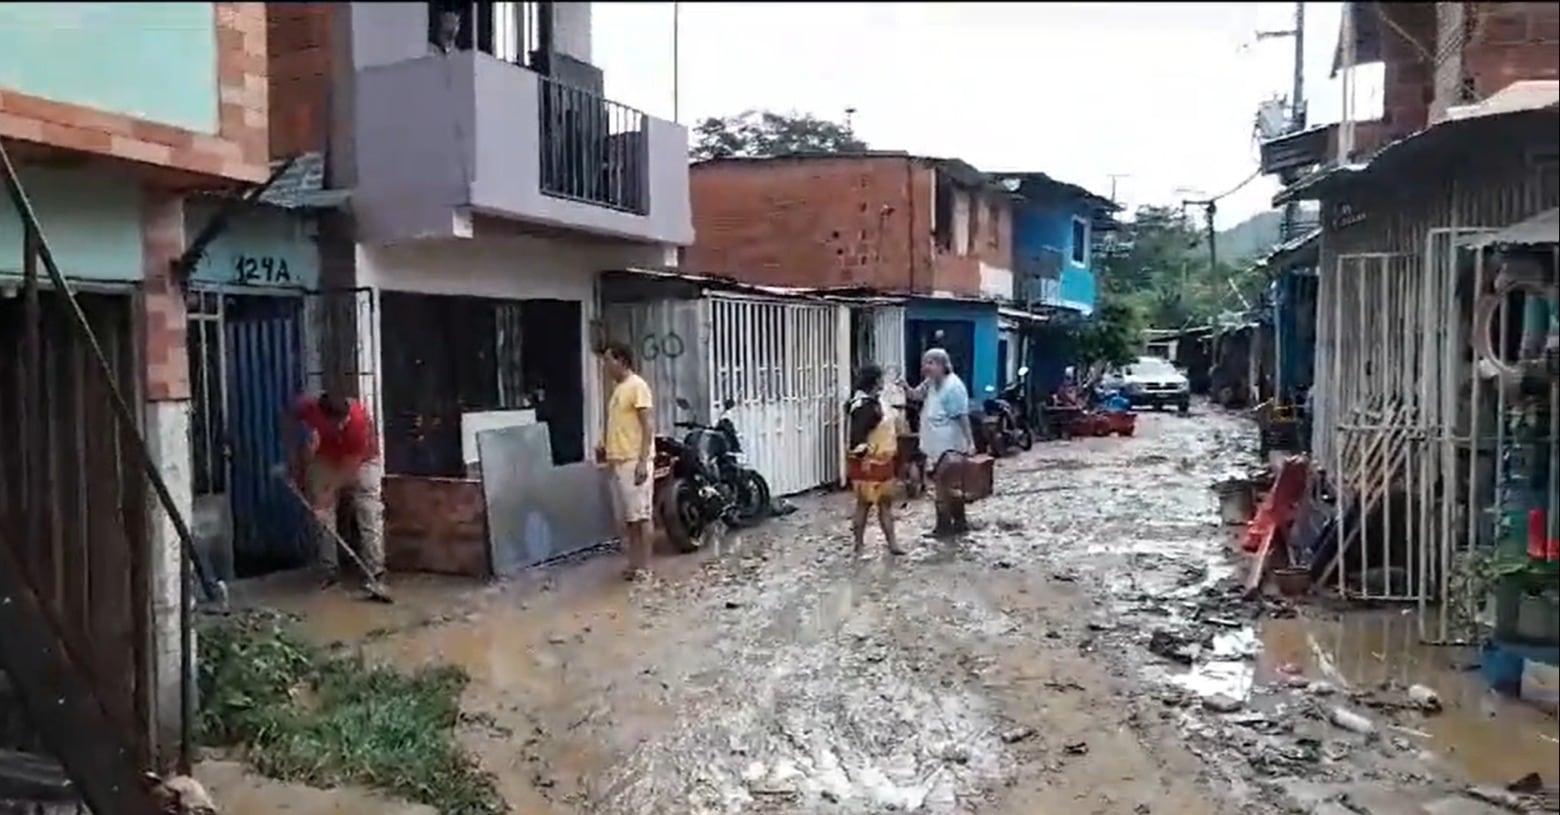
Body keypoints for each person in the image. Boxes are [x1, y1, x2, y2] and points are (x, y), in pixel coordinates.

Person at [288, 392, 384, 589]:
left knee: (368, 511)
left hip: (363, 460)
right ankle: (329, 571)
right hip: (327, 457)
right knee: (322, 516)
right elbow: (291, 418)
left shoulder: (358, 422)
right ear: (322, 416)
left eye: (344, 421)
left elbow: (350, 467)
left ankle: (375, 572)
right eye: (336, 423)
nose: (341, 426)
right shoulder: (309, 407)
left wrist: (328, 493)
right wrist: (297, 455)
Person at [596, 341, 656, 581]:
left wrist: (642, 461)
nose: (606, 366)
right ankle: (634, 563)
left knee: (642, 516)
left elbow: (647, 425)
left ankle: (645, 566)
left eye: (609, 361)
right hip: (620, 460)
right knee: (631, 518)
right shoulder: (618, 389)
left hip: (634, 461)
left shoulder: (637, 386)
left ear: (621, 361)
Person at [907, 348, 975, 537]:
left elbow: (962, 417)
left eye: (930, 363)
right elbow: (915, 395)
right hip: (935, 447)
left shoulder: (953, 386)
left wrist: (970, 443)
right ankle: (958, 524)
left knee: (944, 487)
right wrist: (904, 387)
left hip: (950, 447)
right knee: (945, 486)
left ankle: (946, 526)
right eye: (924, 363)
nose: (925, 367)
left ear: (943, 365)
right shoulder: (931, 383)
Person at [845, 364, 904, 556]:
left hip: (881, 460)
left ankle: (887, 544)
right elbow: (857, 437)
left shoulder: (871, 401)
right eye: (880, 379)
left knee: (881, 504)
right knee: (867, 504)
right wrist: (863, 456)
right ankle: (861, 545)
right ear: (875, 380)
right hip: (869, 461)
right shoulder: (865, 406)